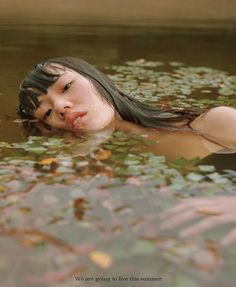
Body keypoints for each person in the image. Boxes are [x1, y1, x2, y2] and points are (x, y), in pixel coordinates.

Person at [18, 56, 236, 161]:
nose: (60, 107)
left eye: (66, 86)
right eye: (46, 113)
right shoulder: (97, 164)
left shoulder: (215, 122)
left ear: (96, 79)